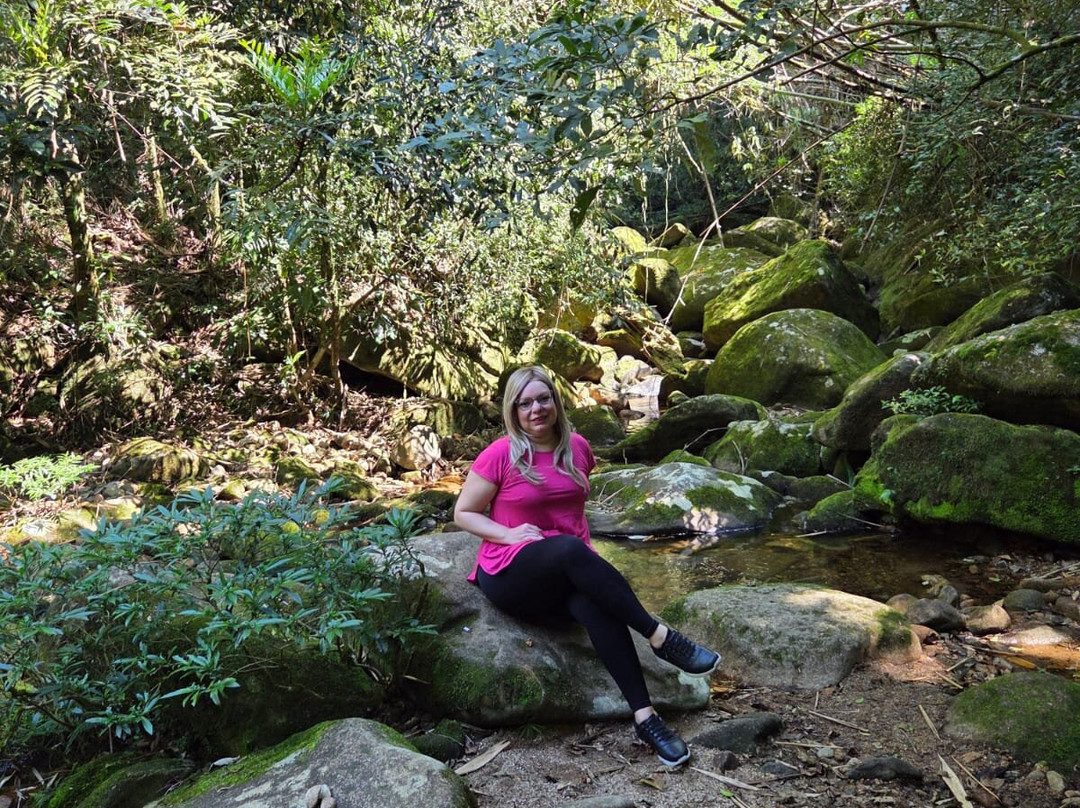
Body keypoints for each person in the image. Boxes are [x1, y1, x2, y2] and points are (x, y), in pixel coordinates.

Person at [453, 365, 721, 767]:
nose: (536, 409)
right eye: (525, 403)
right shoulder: (500, 455)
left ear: (556, 403)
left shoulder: (577, 448)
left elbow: (572, 512)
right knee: (567, 550)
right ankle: (660, 636)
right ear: (513, 410)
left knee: (595, 605)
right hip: (510, 573)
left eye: (543, 399)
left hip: (564, 572)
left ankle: (646, 718)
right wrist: (507, 535)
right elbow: (463, 513)